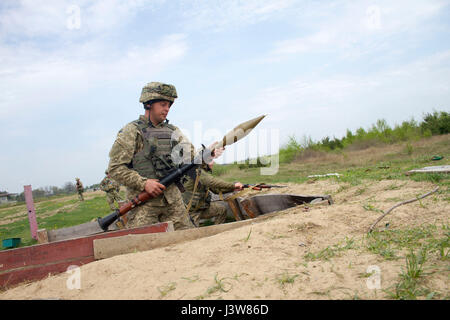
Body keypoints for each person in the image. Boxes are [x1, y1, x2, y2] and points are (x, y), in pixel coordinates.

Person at [107, 82, 196, 230]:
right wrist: (144, 183)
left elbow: (191, 155)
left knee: (190, 239)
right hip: (144, 203)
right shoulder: (131, 131)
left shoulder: (172, 131)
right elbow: (115, 169)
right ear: (148, 104)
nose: (167, 109)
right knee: (141, 246)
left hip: (173, 201)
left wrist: (208, 155)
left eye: (169, 105)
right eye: (162, 104)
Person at [183, 161, 243, 226]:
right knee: (193, 233)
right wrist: (233, 185)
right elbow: (212, 182)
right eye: (210, 160)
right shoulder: (197, 171)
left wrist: (233, 188)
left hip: (202, 208)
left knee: (221, 210)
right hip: (192, 212)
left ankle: (217, 232)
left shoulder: (203, 174)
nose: (213, 162)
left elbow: (216, 190)